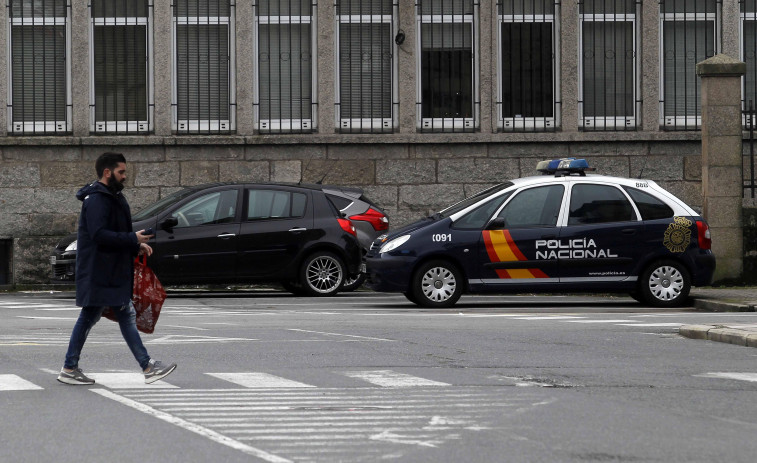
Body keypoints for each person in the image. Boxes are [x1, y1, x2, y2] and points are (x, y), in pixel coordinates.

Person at [58, 152, 176, 385]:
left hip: (108, 269)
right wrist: (133, 239)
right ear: (107, 172)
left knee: (96, 316)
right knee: (120, 315)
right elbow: (99, 234)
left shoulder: (110, 196)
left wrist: (135, 246)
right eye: (121, 172)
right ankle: (147, 366)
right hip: (101, 271)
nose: (125, 176)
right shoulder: (97, 199)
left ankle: (70, 368)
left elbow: (114, 232)